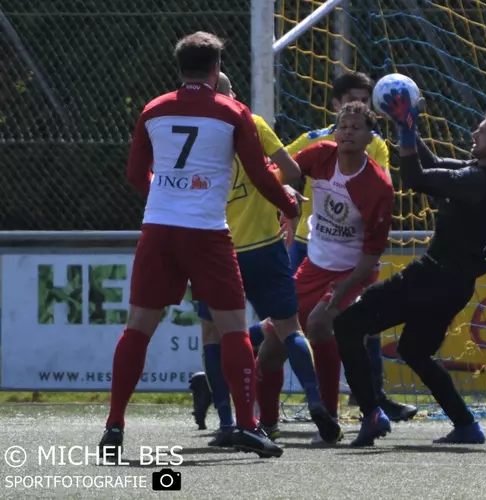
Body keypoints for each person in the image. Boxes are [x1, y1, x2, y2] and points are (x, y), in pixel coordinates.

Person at [97, 32, 299, 459]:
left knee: (138, 327)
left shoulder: (153, 109)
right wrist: (290, 206)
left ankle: (114, 426)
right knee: (231, 327)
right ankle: (247, 425)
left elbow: (136, 174)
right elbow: (261, 176)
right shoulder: (232, 111)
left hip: (159, 230)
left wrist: (166, 195)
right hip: (207, 233)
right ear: (216, 68)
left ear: (179, 68)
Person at [334, 87, 486, 446]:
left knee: (347, 324)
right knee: (414, 351)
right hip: (455, 284)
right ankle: (466, 425)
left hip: (433, 278)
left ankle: (371, 414)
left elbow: (415, 179)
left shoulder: (476, 180)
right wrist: (406, 127)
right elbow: (431, 170)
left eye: (483, 130)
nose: (475, 133)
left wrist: (408, 132)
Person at [191, 72, 341, 447]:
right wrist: (286, 196)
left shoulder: (196, 130)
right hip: (265, 245)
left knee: (217, 333)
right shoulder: (253, 122)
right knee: (290, 327)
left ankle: (227, 424)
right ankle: (315, 400)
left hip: (215, 246)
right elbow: (290, 171)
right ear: (231, 94)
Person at [252, 101, 394, 443]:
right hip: (313, 267)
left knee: (318, 323)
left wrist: (343, 289)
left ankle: (329, 421)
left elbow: (372, 254)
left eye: (355, 127)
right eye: (342, 125)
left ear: (368, 136)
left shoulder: (378, 186)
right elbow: (281, 174)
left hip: (355, 271)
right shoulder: (320, 155)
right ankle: (267, 423)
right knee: (272, 345)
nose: (346, 132)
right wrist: (286, 196)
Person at [283, 72, 417, 423]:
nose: (358, 106)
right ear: (335, 106)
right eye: (351, 100)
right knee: (288, 327)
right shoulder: (314, 143)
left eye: (366, 100)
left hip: (353, 255)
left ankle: (370, 398)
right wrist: (284, 199)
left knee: (363, 325)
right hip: (307, 248)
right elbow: (276, 171)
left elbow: (378, 191)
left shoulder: (374, 143)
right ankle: (303, 400)